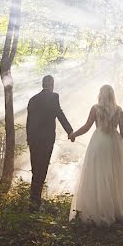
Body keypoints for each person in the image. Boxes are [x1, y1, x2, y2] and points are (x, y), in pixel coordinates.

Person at [68, 85, 123, 226]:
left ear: (100, 94)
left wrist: (73, 134)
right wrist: (118, 144)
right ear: (112, 95)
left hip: (99, 143)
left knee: (98, 175)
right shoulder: (118, 110)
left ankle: (99, 210)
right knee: (116, 176)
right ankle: (118, 210)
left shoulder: (96, 108)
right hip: (114, 142)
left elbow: (87, 127)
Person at [26, 75, 73, 210]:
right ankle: (35, 202)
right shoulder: (54, 97)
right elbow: (60, 114)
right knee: (42, 169)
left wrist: (29, 139)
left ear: (42, 84)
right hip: (46, 140)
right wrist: (69, 131)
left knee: (36, 169)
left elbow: (28, 121)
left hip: (34, 140)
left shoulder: (33, 99)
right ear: (51, 84)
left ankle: (33, 201)